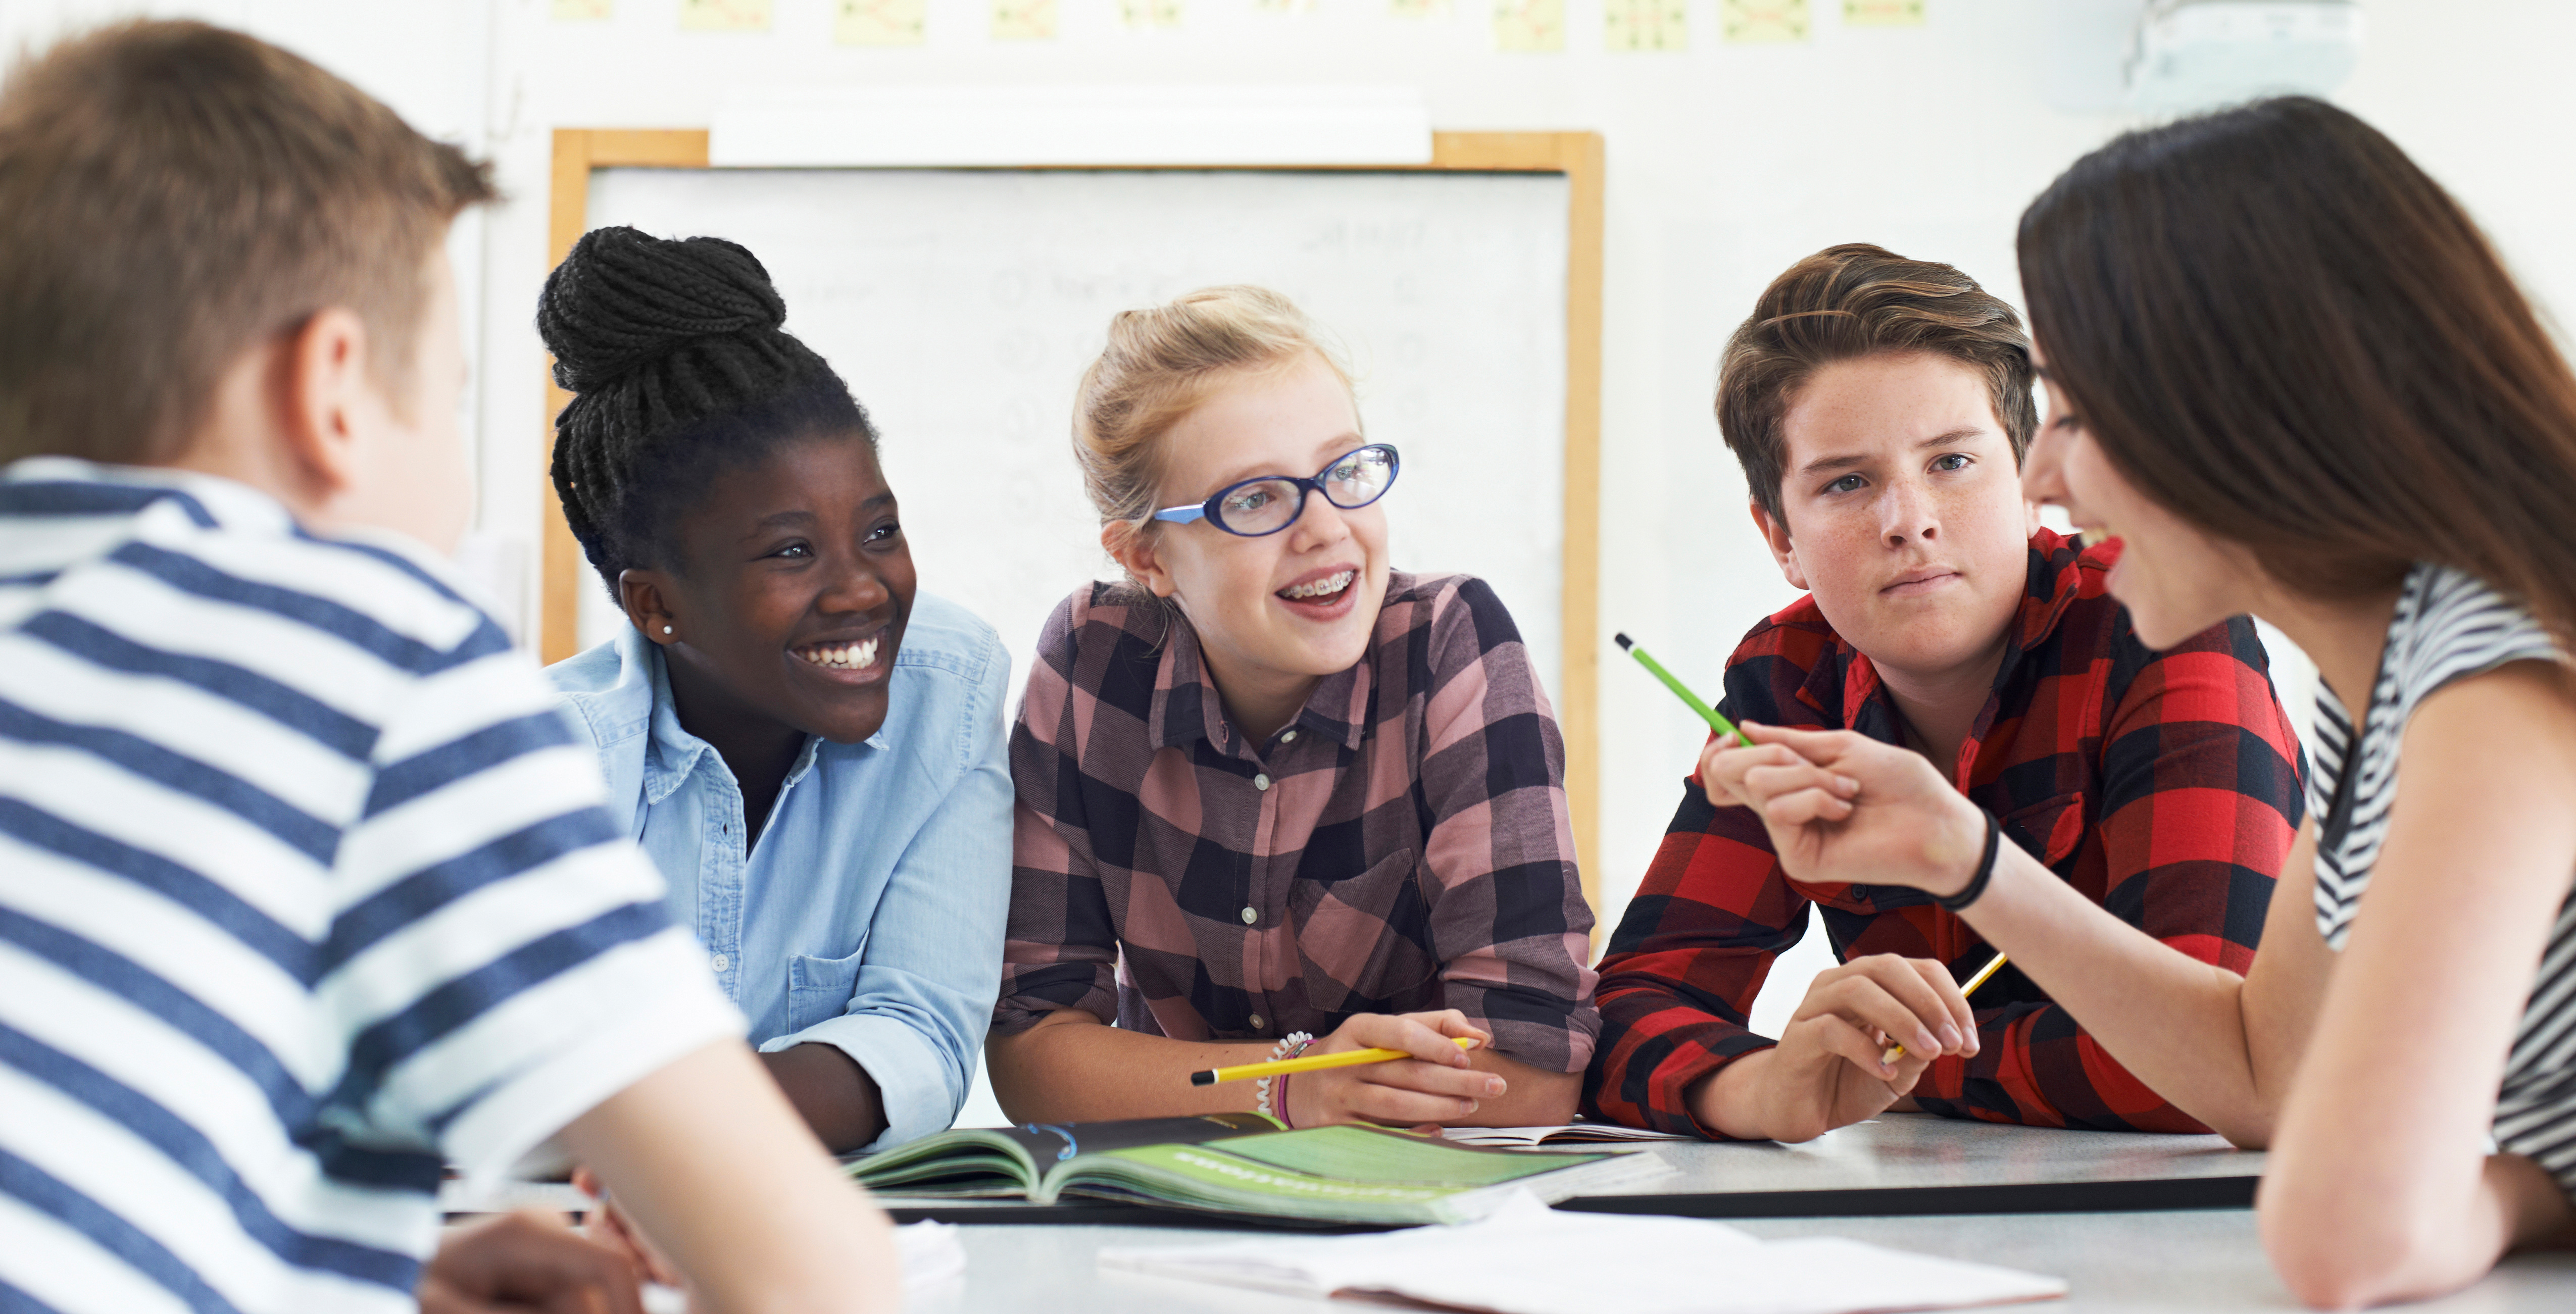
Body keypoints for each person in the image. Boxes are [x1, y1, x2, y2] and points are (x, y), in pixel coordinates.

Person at [0, 20, 895, 1314]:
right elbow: (814, 1274)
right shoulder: (366, 651)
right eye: (457, 392)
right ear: (336, 391)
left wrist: (383, 1277)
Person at [1705, 100, 2576, 1305]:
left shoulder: (2493, 684)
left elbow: (2351, 1231)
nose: (2045, 476)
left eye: (2072, 412)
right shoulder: (2387, 681)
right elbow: (2264, 1072)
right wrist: (1965, 857)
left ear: (2231, 414)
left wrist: (2540, 1182)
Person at [1586, 244, 2306, 1143]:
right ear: (1780, 537)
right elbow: (1625, 1012)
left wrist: (1897, 1068)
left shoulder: (2158, 617)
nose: (1909, 521)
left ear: (2032, 479)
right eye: (1847, 483)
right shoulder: (1786, 676)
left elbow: (2209, 1064)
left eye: (1953, 463)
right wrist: (1773, 1090)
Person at [985, 286, 1598, 1127]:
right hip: (1176, 1205)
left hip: (1430, 1204)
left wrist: (1256, 1087)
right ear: (1147, 558)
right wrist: (1291, 1083)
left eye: (1343, 471)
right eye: (1256, 499)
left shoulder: (1451, 642)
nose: (1324, 529)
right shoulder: (1092, 660)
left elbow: (1529, 1069)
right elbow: (1032, 1055)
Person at [538, 224, 1013, 1155]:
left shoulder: (948, 690)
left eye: (879, 532)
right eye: (792, 552)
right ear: (658, 605)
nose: (863, 590)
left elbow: (920, 1033)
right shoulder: (549, 761)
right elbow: (521, 1084)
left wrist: (680, 1125)